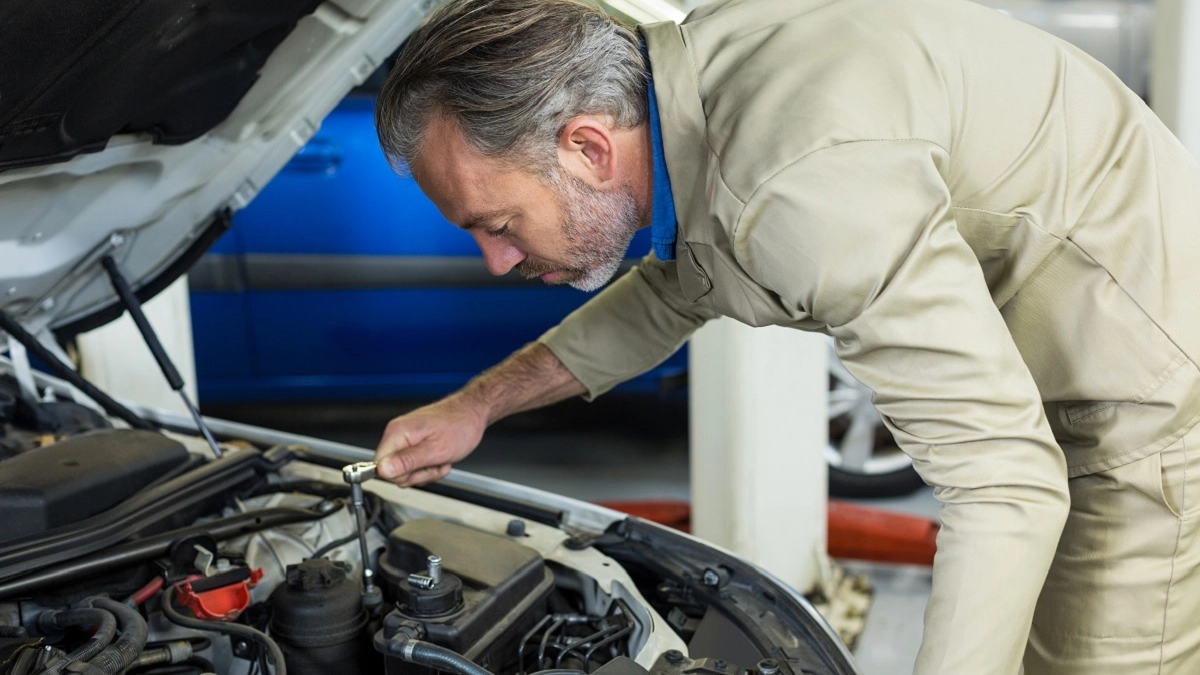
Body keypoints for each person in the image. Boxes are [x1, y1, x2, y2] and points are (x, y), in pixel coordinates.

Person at [370, 0, 1200, 671]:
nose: (495, 260)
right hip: (1060, 345)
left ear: (587, 148)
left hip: (1138, 390)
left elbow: (1004, 483)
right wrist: (476, 406)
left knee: (1090, 657)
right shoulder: (686, 103)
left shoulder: (794, 180)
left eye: (501, 222)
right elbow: (669, 295)